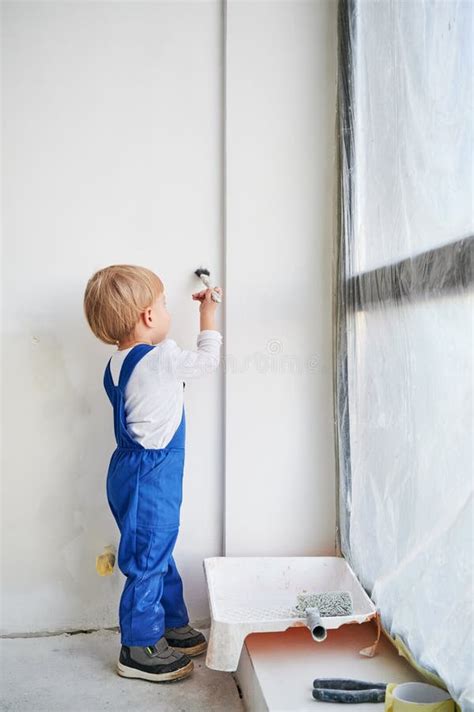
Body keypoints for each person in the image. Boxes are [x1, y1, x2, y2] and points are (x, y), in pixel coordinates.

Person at [83, 264, 223, 683]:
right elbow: (207, 361)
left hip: (129, 470)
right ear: (147, 316)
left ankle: (170, 622)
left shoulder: (116, 364)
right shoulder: (161, 357)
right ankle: (139, 645)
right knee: (148, 558)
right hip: (153, 473)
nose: (166, 311)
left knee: (156, 549)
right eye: (162, 304)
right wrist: (208, 312)